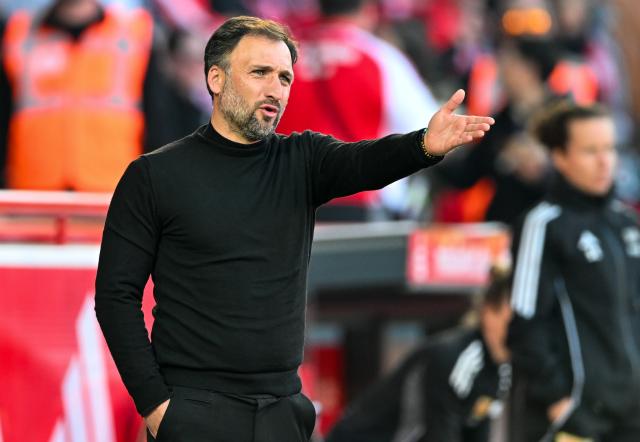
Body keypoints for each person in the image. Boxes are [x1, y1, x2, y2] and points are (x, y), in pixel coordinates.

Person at [94, 16, 494, 442]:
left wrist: (421, 147)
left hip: (283, 413)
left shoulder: (301, 160)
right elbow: (115, 296)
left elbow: (365, 161)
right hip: (194, 410)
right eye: (259, 72)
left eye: (285, 77)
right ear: (215, 77)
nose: (276, 89)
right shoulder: (154, 175)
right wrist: (156, 404)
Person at [507, 101, 640, 441]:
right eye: (590, 151)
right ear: (560, 157)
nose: (604, 161)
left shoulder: (626, 222)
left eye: (610, 149)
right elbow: (524, 322)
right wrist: (558, 400)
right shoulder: (543, 224)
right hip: (578, 418)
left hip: (632, 415)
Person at [276, 0, 439, 221]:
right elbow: (429, 128)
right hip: (358, 202)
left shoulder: (283, 58)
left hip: (286, 202)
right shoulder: (379, 57)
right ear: (368, 9)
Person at [325, 266, 513, 442]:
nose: (523, 330)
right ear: (489, 313)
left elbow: (478, 433)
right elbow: (432, 433)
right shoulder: (454, 359)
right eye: (513, 318)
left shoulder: (501, 372)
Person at [0, 0, 165, 190]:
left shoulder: (134, 33)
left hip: (113, 195)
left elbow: (158, 121)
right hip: (34, 197)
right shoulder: (17, 34)